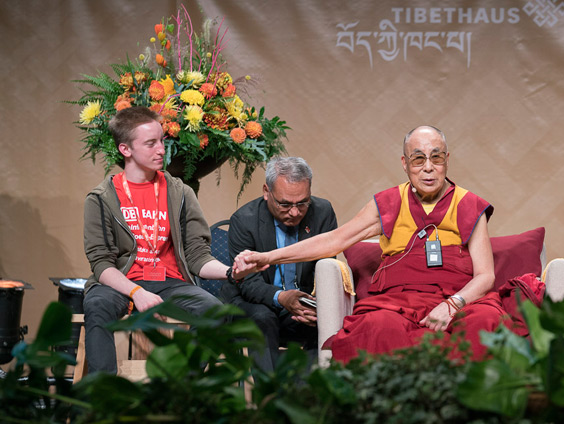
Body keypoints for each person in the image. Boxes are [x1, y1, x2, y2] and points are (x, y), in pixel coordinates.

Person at [231, 125, 502, 363]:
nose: (428, 167)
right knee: (378, 326)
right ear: (405, 164)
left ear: (447, 160)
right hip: (399, 301)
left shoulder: (469, 204)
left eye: (436, 157)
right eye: (418, 159)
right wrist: (267, 257)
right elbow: (334, 241)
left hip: (457, 298)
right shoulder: (389, 202)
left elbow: (485, 275)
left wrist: (453, 304)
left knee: (484, 323)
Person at [82, 106, 244, 374]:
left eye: (162, 140)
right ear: (126, 150)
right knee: (96, 305)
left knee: (213, 310)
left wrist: (231, 272)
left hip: (170, 282)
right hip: (122, 281)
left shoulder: (180, 191)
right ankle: (104, 396)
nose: (161, 149)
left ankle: (184, 391)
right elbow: (101, 264)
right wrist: (137, 293)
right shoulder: (101, 197)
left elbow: (197, 256)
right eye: (150, 143)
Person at [220, 157, 337, 371]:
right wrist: (282, 297)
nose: (294, 212)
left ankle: (305, 396)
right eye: (285, 204)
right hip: (254, 303)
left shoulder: (322, 212)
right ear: (267, 191)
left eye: (302, 202)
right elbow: (247, 283)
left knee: (324, 320)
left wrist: (317, 304)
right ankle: (270, 397)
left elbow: (327, 267)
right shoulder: (244, 220)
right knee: (262, 318)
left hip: (300, 305)